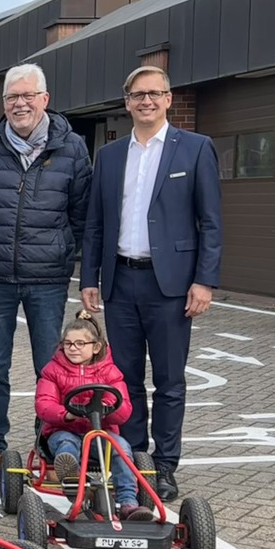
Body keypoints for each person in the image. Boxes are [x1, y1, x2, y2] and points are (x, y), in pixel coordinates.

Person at [81, 65, 222, 501]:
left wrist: (204, 281)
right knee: (124, 381)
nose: (146, 101)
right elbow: (95, 224)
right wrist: (90, 277)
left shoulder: (195, 149)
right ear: (126, 102)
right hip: (121, 281)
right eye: (137, 95)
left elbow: (211, 223)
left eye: (154, 94)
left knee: (169, 381)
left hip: (172, 286)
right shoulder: (109, 155)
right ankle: (132, 457)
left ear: (168, 99)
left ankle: (164, 467)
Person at [0, 63, 92, 481]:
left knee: (49, 368)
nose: (20, 104)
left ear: (45, 99)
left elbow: (81, 214)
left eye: (28, 95)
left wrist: (65, 253)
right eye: (12, 97)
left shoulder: (72, 149)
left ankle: (49, 448)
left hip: (48, 278)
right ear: (4, 103)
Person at [34, 311, 152, 521]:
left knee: (121, 448)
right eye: (68, 343)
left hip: (100, 431)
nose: (73, 348)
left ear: (96, 347)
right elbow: (44, 405)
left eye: (80, 343)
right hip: (64, 430)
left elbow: (123, 409)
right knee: (66, 446)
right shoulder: (52, 371)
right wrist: (66, 414)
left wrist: (107, 409)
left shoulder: (109, 372)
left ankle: (128, 503)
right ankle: (75, 485)